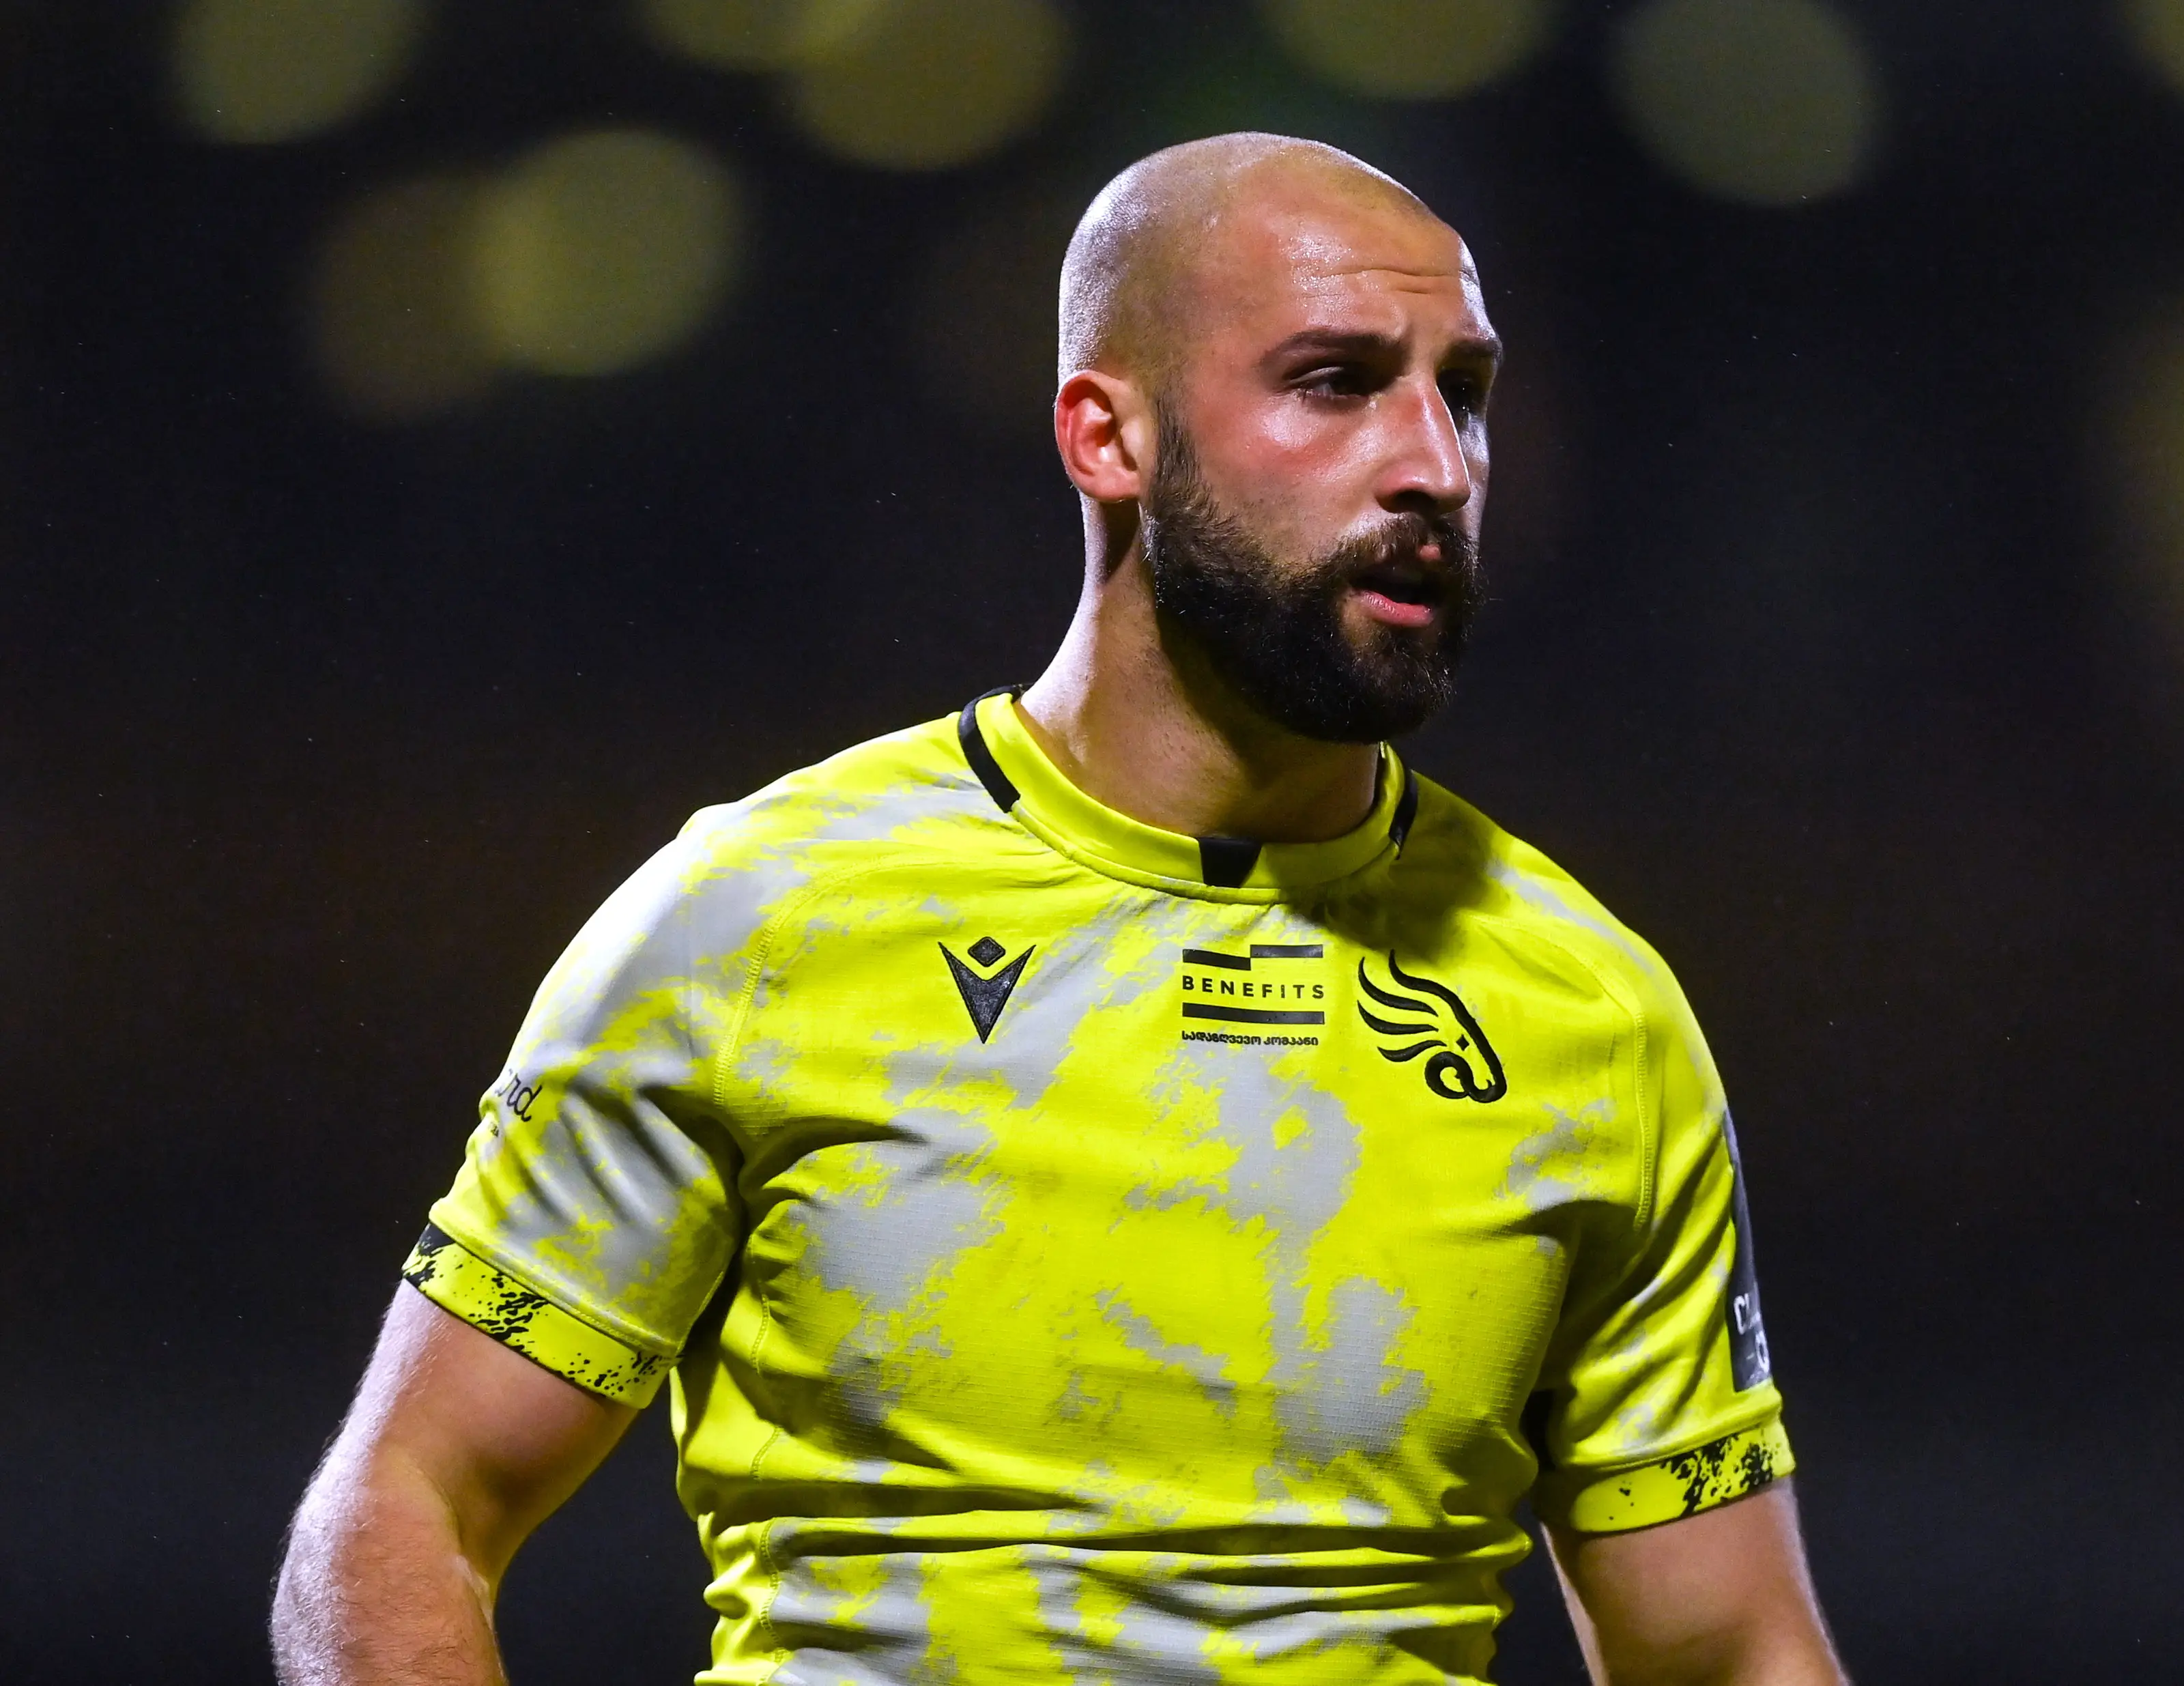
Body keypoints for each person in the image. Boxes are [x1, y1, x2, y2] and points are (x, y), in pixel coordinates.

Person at [272, 132, 1845, 1686]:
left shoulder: (1592, 1012)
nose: (1435, 461)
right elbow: (406, 1506)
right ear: (1108, 436)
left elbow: (1726, 1647)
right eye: (1334, 380)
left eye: (1466, 392)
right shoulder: (757, 920)